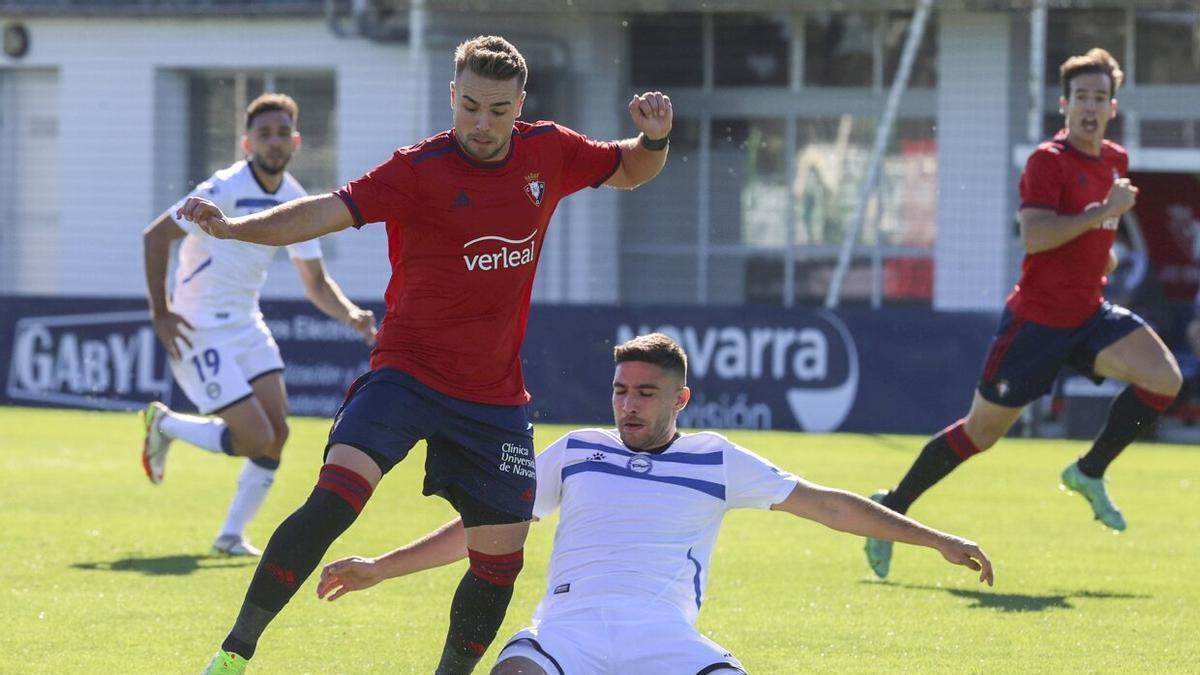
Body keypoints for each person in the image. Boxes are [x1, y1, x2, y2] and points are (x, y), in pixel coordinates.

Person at [180, 36, 675, 675]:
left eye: (498, 110)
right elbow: (322, 213)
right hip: (405, 374)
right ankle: (234, 653)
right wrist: (234, 228)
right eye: (469, 106)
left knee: (500, 560)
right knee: (336, 499)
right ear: (452, 96)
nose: (482, 123)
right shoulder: (417, 169)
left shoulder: (549, 150)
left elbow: (631, 168)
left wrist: (656, 138)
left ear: (520, 104)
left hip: (493, 396)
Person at [315, 333, 994, 675]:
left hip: (662, 638)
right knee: (514, 671)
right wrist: (379, 566)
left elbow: (831, 507)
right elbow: (483, 530)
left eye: (645, 392)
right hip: (567, 631)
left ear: (680, 399)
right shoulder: (576, 450)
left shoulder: (716, 458)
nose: (629, 404)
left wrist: (935, 539)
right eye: (621, 390)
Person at [864, 48, 1183, 579]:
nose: (1089, 106)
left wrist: (1101, 253)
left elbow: (1091, 238)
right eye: (1080, 97)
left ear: (1112, 107)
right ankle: (891, 509)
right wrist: (1103, 213)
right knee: (980, 434)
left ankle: (1089, 471)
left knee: (1164, 379)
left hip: (1090, 314)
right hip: (1036, 325)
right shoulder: (1047, 161)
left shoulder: (1115, 160)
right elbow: (1035, 237)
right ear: (1064, 104)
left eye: (1099, 98)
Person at [141, 92, 376, 557]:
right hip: (198, 328)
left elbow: (315, 281)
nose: (274, 141)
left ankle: (230, 536)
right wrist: (161, 313)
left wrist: (351, 314)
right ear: (247, 143)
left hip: (247, 325)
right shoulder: (223, 187)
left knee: (277, 435)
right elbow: (155, 237)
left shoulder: (293, 198)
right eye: (264, 134)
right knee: (254, 437)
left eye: (282, 133)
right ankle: (164, 424)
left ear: (296, 141)